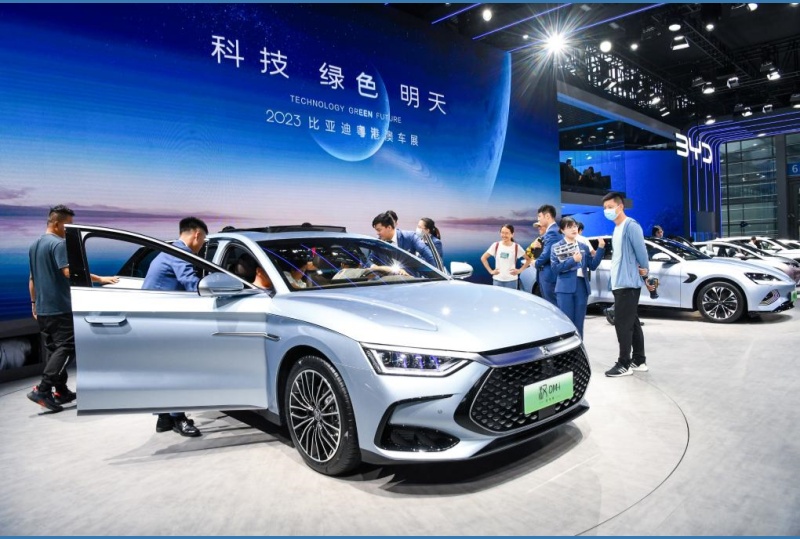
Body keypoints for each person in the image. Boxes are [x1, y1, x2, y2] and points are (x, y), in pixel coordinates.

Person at [27, 205, 119, 413]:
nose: (70, 228)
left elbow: (32, 279)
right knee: (67, 347)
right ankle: (43, 389)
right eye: (68, 224)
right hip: (60, 307)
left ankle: (60, 391)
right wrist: (100, 279)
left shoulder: (34, 245)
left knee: (54, 350)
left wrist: (33, 303)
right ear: (56, 223)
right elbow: (69, 273)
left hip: (43, 309)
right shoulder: (59, 244)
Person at [142, 216, 208, 436]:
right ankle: (178, 418)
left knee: (164, 369)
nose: (202, 245)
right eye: (203, 240)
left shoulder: (166, 252)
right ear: (197, 234)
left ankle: (164, 418)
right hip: (163, 321)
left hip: (154, 319)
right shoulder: (180, 253)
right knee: (177, 369)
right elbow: (191, 284)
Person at [601, 192, 653, 377]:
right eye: (605, 208)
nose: (607, 210)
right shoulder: (617, 228)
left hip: (627, 283)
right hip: (620, 282)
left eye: (610, 207)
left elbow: (641, 251)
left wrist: (645, 271)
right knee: (632, 322)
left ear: (620, 206)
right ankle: (639, 360)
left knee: (622, 324)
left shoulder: (631, 226)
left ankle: (624, 363)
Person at [550, 217, 606, 337]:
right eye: (569, 227)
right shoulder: (556, 247)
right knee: (567, 322)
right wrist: (573, 260)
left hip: (582, 287)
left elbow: (593, 265)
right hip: (565, 288)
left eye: (575, 226)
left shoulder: (583, 246)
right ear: (562, 230)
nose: (573, 229)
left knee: (579, 323)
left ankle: (579, 346)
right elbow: (555, 269)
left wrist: (600, 248)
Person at [480, 224, 531, 289]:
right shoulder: (496, 245)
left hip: (511, 281)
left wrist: (520, 270)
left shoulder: (516, 247)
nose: (504, 235)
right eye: (502, 232)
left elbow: (528, 259)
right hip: (497, 280)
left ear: (512, 234)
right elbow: (483, 258)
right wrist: (491, 271)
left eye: (507, 233)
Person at [533, 204, 561, 305]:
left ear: (547, 216)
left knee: (553, 305)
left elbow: (547, 254)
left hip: (549, 275)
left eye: (539, 216)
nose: (538, 219)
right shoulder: (550, 232)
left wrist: (535, 263)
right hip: (545, 275)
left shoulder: (552, 232)